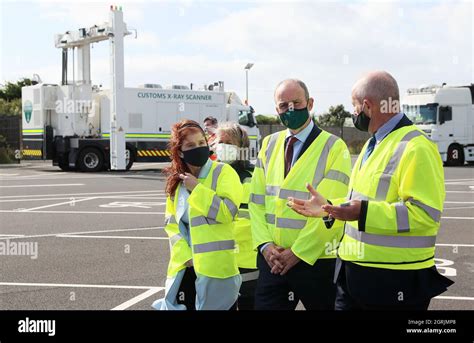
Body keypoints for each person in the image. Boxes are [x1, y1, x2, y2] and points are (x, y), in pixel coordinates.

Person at [288, 71, 454, 310]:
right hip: (354, 275)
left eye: (354, 106)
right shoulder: (372, 143)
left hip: (394, 282)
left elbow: (425, 215)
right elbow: (363, 200)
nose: (353, 113)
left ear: (367, 106)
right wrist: (330, 208)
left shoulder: (417, 147)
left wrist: (362, 213)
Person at [249, 79, 352, 310]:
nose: (290, 109)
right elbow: (256, 202)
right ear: (276, 110)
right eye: (284, 105)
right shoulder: (268, 144)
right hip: (272, 261)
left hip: (315, 261)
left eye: (296, 102)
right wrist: (265, 246)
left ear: (310, 103)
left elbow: (331, 209)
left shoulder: (334, 147)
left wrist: (297, 253)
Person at [152, 119, 243, 310]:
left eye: (202, 143)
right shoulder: (176, 183)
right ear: (180, 152)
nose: (198, 148)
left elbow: (227, 213)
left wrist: (198, 190)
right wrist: (186, 256)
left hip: (216, 269)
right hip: (186, 268)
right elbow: (171, 225)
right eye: (191, 145)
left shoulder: (224, 172)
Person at [215, 122, 258, 310]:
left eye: (229, 143)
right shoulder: (209, 175)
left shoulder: (255, 176)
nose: (223, 146)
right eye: (220, 142)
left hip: (249, 263)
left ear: (241, 148)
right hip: (218, 263)